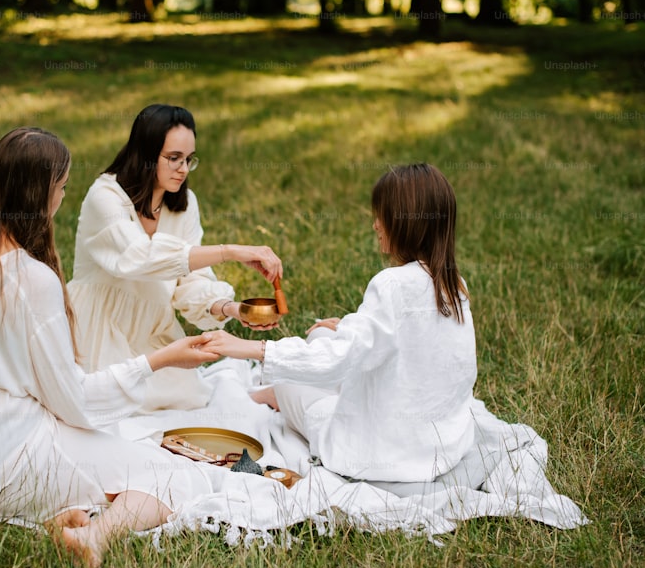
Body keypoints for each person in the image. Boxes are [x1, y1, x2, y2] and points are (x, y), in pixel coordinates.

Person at [0, 127, 222, 568]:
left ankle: (62, 513)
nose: (64, 198)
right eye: (62, 187)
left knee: (105, 462)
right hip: (4, 462)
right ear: (40, 195)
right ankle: (94, 536)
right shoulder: (31, 280)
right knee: (172, 476)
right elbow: (73, 402)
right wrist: (160, 359)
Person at [204, 163, 478, 483]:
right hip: (441, 445)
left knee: (289, 377)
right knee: (322, 332)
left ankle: (274, 397)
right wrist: (347, 326)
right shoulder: (454, 283)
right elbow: (407, 341)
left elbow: (334, 362)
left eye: (382, 215)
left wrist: (249, 347)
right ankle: (283, 389)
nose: (376, 224)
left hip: (377, 454)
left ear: (405, 224)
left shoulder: (391, 284)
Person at [68, 104, 283, 413]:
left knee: (188, 401)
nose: (183, 169)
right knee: (117, 408)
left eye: (188, 159)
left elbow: (188, 281)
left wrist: (232, 309)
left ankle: (248, 402)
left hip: (153, 332)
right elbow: (140, 258)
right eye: (173, 159)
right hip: (98, 330)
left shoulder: (183, 204)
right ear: (145, 154)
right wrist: (230, 252)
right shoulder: (105, 196)